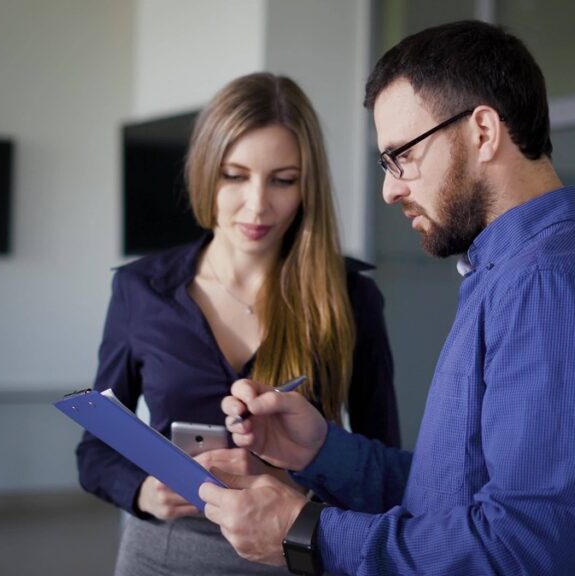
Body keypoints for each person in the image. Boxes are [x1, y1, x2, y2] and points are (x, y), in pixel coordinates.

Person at [198, 21, 575, 576]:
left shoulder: (546, 286)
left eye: (402, 156)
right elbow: (452, 495)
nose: (391, 189)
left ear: (483, 131)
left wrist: (307, 531)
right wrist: (320, 451)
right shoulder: (508, 274)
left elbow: (520, 548)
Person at [75, 72, 401, 576]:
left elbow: (383, 466)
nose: (257, 205)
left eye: (283, 180)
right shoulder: (141, 291)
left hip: (295, 552)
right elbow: (96, 450)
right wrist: (143, 492)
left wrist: (296, 482)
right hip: (162, 556)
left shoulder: (351, 296)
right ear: (207, 172)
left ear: (306, 184)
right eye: (235, 175)